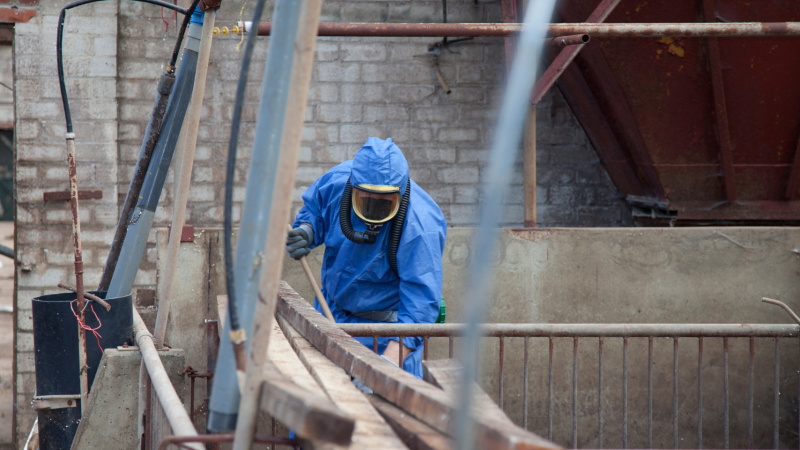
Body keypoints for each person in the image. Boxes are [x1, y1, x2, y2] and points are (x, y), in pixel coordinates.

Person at [286, 137, 447, 378]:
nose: (375, 210)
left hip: (385, 336)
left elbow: (420, 306)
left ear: (400, 194)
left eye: (385, 203)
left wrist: (387, 367)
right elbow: (316, 211)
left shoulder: (419, 226)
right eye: (367, 201)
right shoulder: (338, 183)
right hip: (329, 317)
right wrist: (307, 230)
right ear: (354, 186)